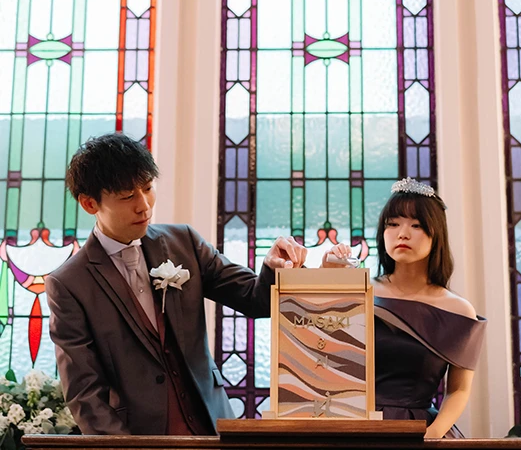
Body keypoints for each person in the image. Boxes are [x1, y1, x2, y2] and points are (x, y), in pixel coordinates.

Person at [46, 133, 307, 436]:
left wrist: (274, 268)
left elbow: (255, 299)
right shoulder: (68, 284)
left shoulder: (184, 243)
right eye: (128, 197)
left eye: (148, 188)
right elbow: (85, 392)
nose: (144, 206)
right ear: (90, 203)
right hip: (138, 438)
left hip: (213, 428)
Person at [324, 177, 486, 438]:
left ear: (436, 233)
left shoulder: (458, 309)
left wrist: (434, 433)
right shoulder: (358, 291)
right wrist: (326, 282)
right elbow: (321, 356)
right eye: (393, 224)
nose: (403, 233)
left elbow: (459, 389)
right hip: (352, 426)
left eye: (416, 225)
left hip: (420, 431)